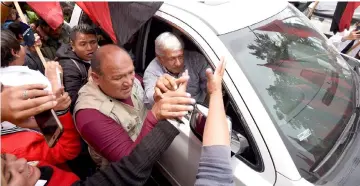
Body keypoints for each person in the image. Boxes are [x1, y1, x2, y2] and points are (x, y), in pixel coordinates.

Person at [74, 44, 194, 167]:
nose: (129, 82)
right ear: (96, 78)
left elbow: (146, 96)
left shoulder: (129, 77)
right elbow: (131, 165)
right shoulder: (89, 116)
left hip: (151, 148)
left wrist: (158, 92)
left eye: (131, 72)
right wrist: (154, 116)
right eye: (117, 78)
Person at [1, 119, 180, 186]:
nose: (23, 161)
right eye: (9, 176)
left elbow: (64, 149)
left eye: (4, 157)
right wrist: (166, 119)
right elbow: (127, 172)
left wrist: (44, 117)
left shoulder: (32, 169)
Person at [0, 29, 80, 165]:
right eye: (20, 45)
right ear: (14, 52)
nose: (10, 94)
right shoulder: (32, 80)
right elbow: (68, 150)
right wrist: (55, 80)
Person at [143, 32, 209, 109]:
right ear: (160, 58)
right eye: (172, 58)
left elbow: (210, 88)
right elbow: (149, 101)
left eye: (180, 56)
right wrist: (160, 93)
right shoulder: (152, 71)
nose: (178, 63)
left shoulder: (196, 59)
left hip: (199, 107)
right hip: (171, 113)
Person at [195, 57, 234, 185]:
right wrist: (215, 92)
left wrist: (215, 92)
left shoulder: (196, 60)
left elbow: (215, 174)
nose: (178, 62)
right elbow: (216, 174)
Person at [56, 24, 98, 112]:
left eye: (93, 42)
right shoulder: (69, 67)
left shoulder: (98, 55)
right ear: (73, 45)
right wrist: (90, 81)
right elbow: (74, 103)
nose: (90, 48)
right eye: (83, 44)